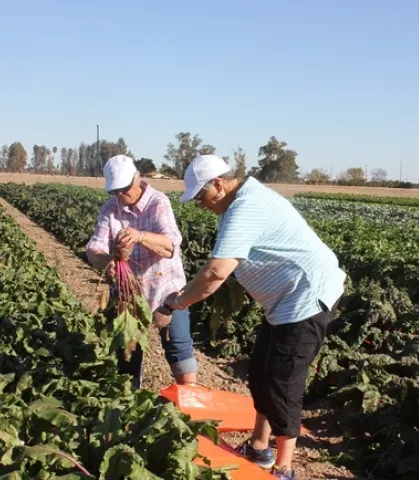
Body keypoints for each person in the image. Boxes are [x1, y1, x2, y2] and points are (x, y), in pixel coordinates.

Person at [161, 154, 346, 480]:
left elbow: (216, 272)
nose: (200, 205)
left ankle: (284, 468)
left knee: (282, 381)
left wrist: (176, 303)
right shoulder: (238, 204)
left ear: (218, 185)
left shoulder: (245, 207)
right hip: (282, 302)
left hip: (305, 299)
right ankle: (259, 447)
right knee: (260, 372)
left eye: (200, 197)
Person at [86, 154, 197, 388]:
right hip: (129, 296)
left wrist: (139, 236)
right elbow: (93, 250)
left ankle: (192, 402)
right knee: (127, 354)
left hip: (166, 292)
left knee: (179, 349)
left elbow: (170, 246)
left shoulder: (158, 202)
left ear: (137, 178)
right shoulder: (111, 208)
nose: (119, 195)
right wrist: (109, 261)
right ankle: (129, 406)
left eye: (124, 188)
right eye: (114, 191)